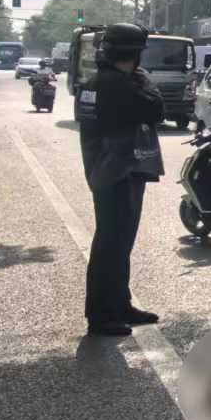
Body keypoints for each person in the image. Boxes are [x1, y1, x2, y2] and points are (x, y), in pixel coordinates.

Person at [77, 23, 166, 336]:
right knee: (111, 243)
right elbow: (156, 109)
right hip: (119, 170)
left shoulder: (95, 81)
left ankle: (120, 304)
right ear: (134, 54)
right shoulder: (119, 84)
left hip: (107, 169)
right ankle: (101, 315)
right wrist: (146, 85)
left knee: (117, 242)